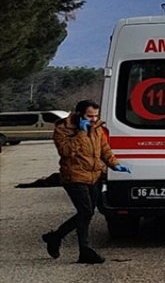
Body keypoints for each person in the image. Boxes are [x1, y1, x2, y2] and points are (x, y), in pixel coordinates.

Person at [42, 100, 130, 264]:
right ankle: (78, 246)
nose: (94, 119)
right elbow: (66, 152)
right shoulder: (63, 128)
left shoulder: (96, 127)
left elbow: (104, 149)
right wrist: (81, 133)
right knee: (85, 211)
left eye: (96, 115)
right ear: (79, 114)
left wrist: (114, 164)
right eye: (90, 116)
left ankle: (65, 242)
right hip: (74, 176)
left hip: (94, 175)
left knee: (87, 214)